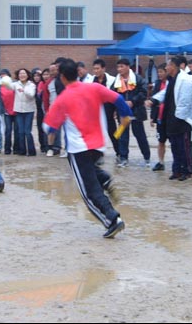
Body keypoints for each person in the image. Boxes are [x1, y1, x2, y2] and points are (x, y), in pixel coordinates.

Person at [43, 58, 132, 238]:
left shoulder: (63, 98)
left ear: (62, 77)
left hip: (78, 148)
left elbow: (49, 128)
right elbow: (118, 99)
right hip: (98, 145)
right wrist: (125, 116)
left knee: (88, 191)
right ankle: (105, 179)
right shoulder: (94, 87)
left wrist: (51, 138)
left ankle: (111, 219)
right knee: (91, 172)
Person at [150, 57, 192, 181]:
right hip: (170, 118)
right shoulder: (172, 80)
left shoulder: (186, 80)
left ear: (175, 66)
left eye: (169, 65)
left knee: (184, 147)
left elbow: (185, 101)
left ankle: (186, 170)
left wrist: (179, 117)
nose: (166, 68)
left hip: (181, 120)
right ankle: (176, 170)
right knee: (175, 146)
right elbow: (165, 93)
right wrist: (154, 100)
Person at [110, 58, 150, 167]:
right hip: (122, 113)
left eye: (122, 66)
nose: (120, 69)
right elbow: (112, 95)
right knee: (123, 135)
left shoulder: (138, 79)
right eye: (118, 67)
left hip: (136, 111)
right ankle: (123, 158)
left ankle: (147, 157)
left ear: (128, 67)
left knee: (140, 135)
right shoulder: (116, 81)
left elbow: (144, 92)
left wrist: (133, 101)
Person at [3, 68, 36, 156]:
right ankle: (22, 151)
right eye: (20, 74)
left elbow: (31, 95)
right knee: (20, 131)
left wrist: (24, 90)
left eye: (24, 73)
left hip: (29, 110)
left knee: (27, 132)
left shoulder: (31, 85)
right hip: (18, 110)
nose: (22, 75)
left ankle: (31, 151)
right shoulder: (16, 84)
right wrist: (4, 80)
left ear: (27, 75)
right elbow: (8, 86)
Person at [92, 58, 119, 163]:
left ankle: (119, 152)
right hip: (96, 111)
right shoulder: (91, 81)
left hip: (109, 110)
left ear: (103, 68)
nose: (96, 71)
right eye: (94, 69)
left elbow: (116, 96)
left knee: (113, 133)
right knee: (98, 133)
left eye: (98, 68)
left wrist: (116, 110)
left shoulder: (112, 80)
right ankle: (99, 155)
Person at [147, 63, 168, 171]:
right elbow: (154, 100)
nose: (159, 74)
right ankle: (161, 161)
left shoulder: (171, 83)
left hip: (169, 117)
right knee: (161, 141)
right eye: (158, 72)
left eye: (161, 72)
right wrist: (152, 117)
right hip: (160, 117)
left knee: (174, 141)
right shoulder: (158, 84)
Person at [0, 69, 19, 155]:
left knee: (17, 130)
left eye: (4, 75)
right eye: (1, 75)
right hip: (7, 111)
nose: (2, 77)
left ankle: (16, 148)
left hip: (17, 110)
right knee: (8, 130)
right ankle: (7, 149)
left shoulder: (15, 85)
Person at [33, 67, 48, 153]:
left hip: (45, 108)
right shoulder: (32, 85)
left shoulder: (43, 84)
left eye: (38, 75)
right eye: (35, 76)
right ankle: (42, 145)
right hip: (38, 109)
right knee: (40, 128)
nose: (36, 77)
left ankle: (47, 145)